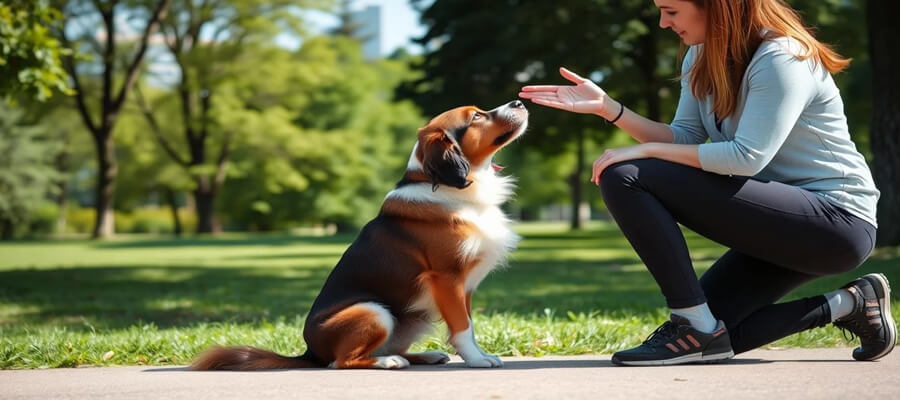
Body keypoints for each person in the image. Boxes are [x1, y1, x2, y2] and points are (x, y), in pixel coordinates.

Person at [519, 0, 895, 366]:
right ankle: (852, 303)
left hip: (837, 220)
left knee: (626, 175)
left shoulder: (782, 58)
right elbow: (684, 137)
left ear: (716, 7)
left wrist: (644, 153)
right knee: (714, 337)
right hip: (781, 222)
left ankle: (692, 322)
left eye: (671, 11)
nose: (664, 24)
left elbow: (746, 158)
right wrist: (609, 108)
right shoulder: (700, 56)